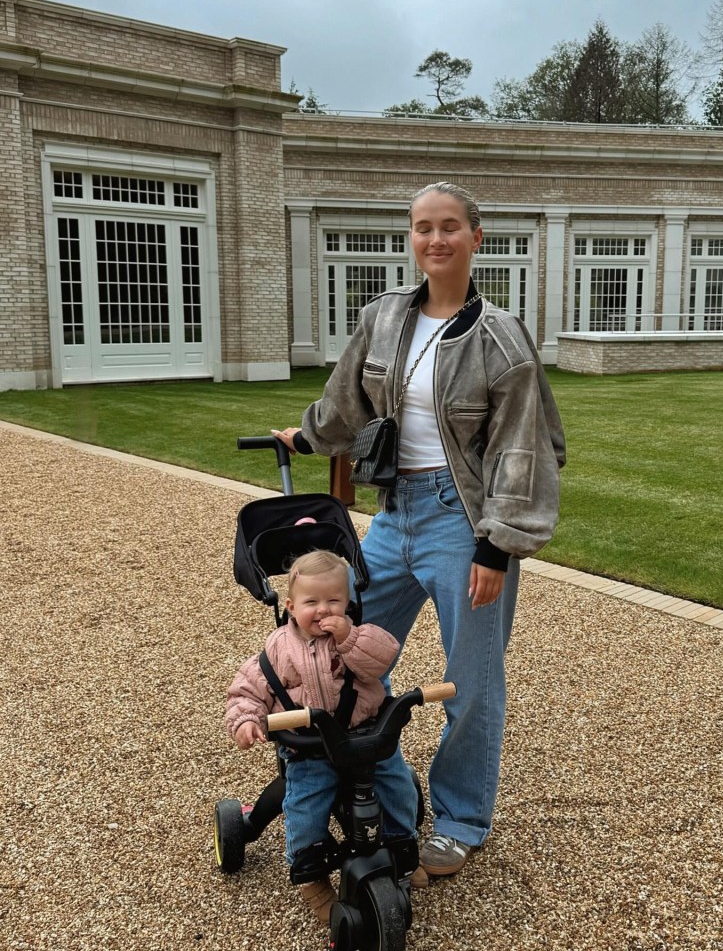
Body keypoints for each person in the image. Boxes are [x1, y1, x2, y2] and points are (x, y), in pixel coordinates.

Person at [273, 181, 566, 879]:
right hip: (394, 515)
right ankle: (353, 780)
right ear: (412, 239)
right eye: (422, 228)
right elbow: (345, 402)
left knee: (470, 681)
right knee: (339, 647)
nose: (435, 240)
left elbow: (524, 450)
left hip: (463, 525)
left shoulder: (502, 339)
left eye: (449, 228)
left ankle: (462, 819)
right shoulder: (383, 317)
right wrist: (306, 438)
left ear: (476, 238)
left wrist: (496, 545)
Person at [225, 549, 423, 922]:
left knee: (397, 783)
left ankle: (403, 849)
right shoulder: (279, 649)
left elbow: (383, 658)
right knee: (306, 801)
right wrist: (247, 721)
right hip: (311, 746)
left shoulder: (358, 636)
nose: (323, 610)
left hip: (365, 736)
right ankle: (311, 871)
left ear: (348, 603)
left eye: (334, 601)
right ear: (290, 605)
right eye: (311, 602)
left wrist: (350, 638)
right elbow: (248, 690)